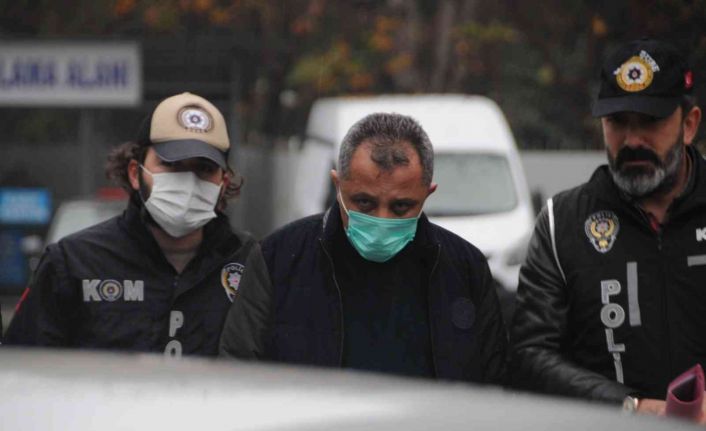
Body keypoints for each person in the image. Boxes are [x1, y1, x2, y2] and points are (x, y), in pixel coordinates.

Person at [219, 112, 507, 383]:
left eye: (401, 206)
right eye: (364, 203)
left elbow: (494, 388)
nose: (382, 220)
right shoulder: (278, 259)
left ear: (427, 193)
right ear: (337, 185)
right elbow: (240, 377)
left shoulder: (464, 269)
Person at [510, 38, 706, 418]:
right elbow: (529, 356)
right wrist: (630, 408)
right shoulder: (563, 223)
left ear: (689, 125)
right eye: (617, 123)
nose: (632, 141)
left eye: (649, 122)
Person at [5, 92, 265, 357]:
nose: (188, 181)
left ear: (223, 182)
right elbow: (22, 366)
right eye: (171, 164)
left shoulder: (253, 262)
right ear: (135, 172)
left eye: (204, 168)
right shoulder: (73, 262)